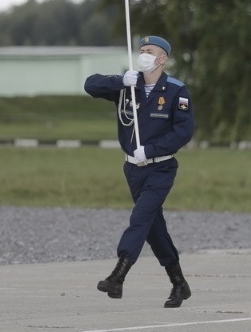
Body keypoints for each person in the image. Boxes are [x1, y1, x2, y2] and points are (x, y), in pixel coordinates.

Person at [83, 35, 195, 308]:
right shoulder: (127, 86)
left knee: (140, 218)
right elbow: (90, 85)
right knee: (153, 228)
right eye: (142, 50)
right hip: (133, 169)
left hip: (161, 167)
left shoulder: (176, 90)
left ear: (163, 58)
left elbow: (184, 130)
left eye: (150, 51)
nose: (144, 55)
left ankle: (118, 276)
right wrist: (119, 81)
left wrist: (152, 150)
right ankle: (179, 284)